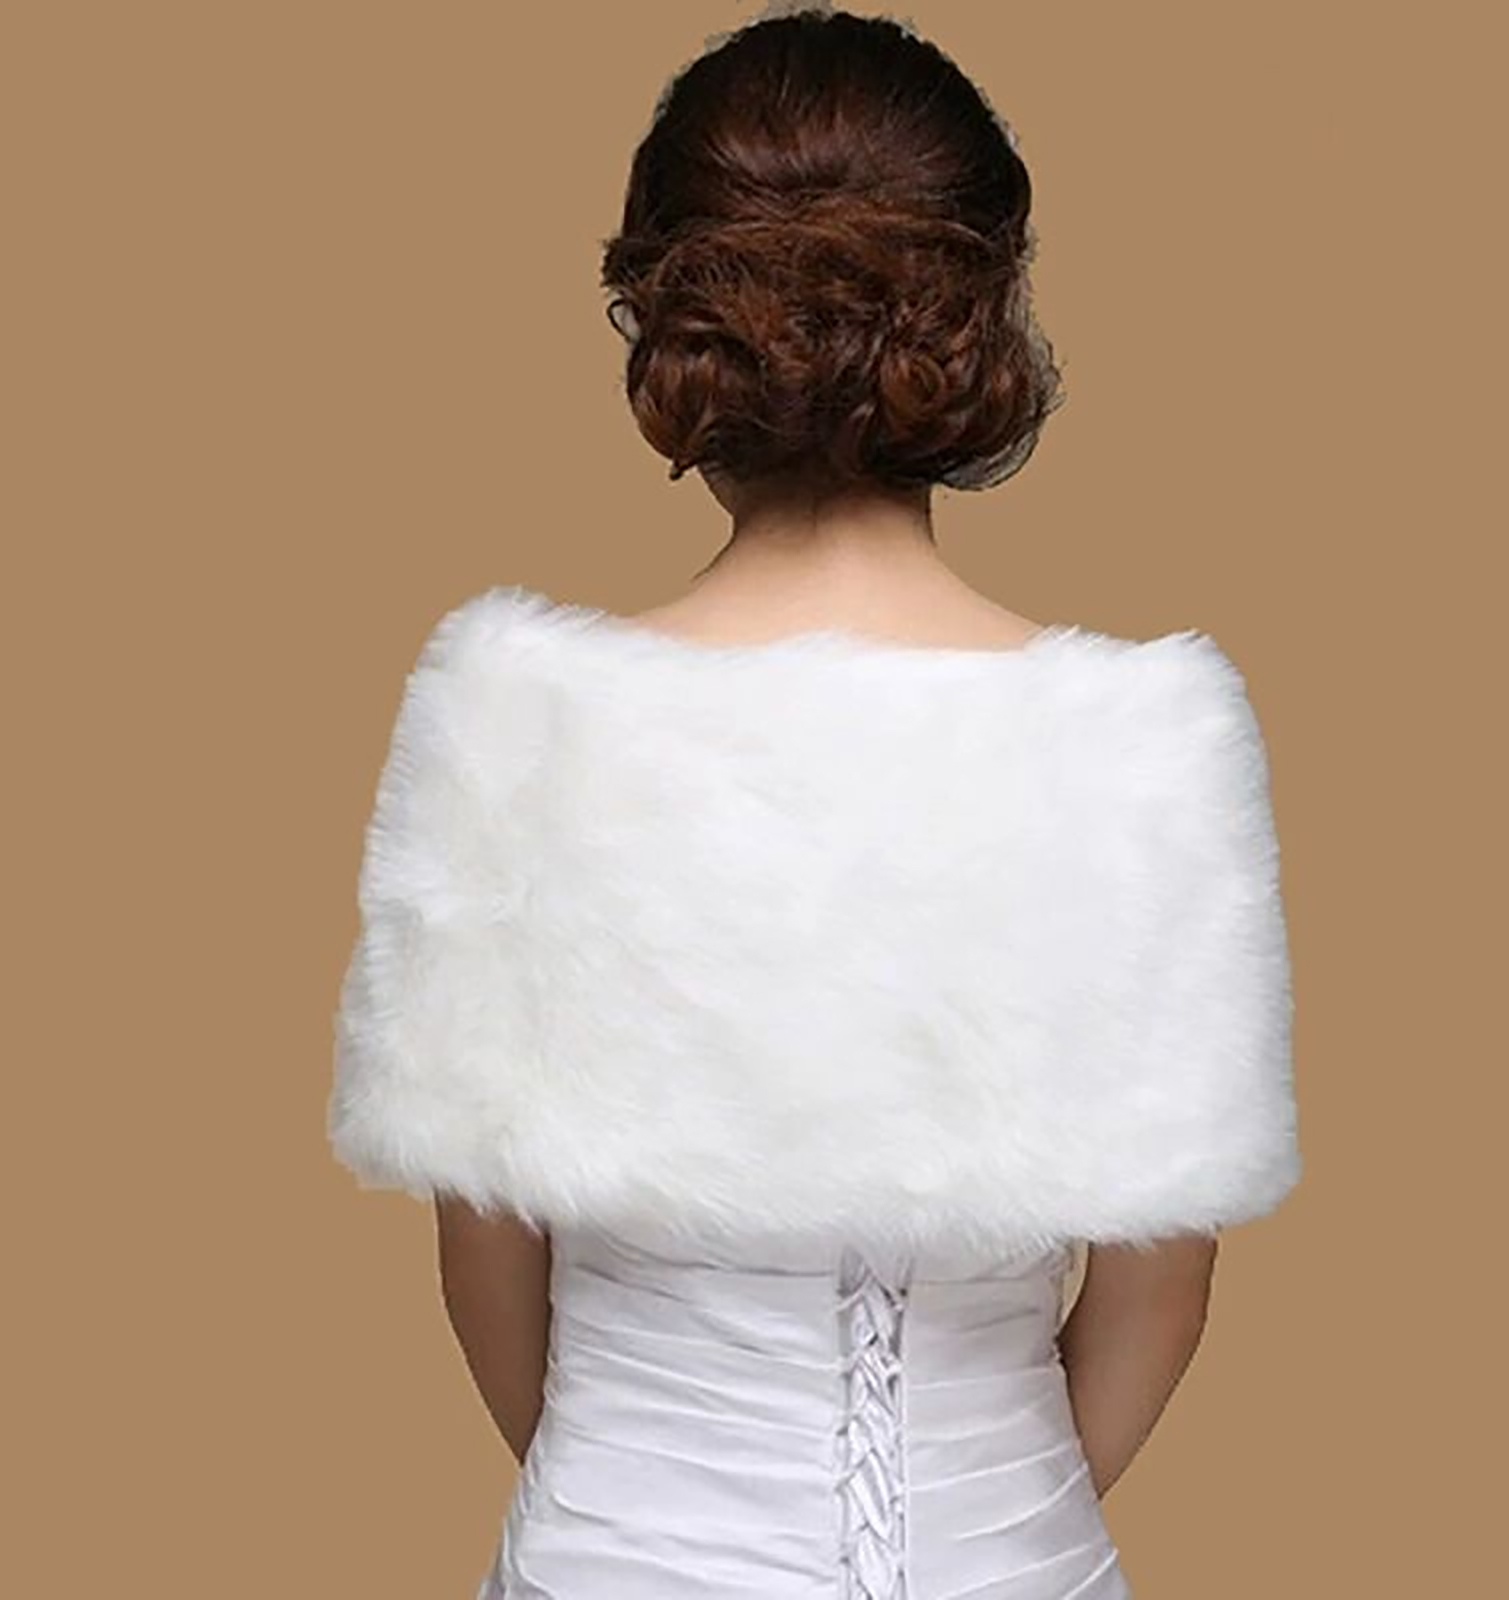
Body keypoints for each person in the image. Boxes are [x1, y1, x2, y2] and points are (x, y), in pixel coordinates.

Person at [326, 8, 1302, 1597]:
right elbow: (1158, 1297)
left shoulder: (512, 720)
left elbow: (488, 1269)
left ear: (672, 321)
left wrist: (644, 1512)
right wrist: (991, 1522)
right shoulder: (1149, 740)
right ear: (984, 311)